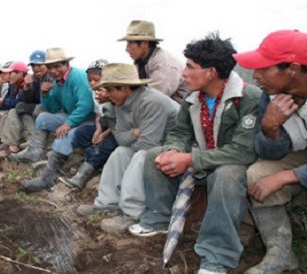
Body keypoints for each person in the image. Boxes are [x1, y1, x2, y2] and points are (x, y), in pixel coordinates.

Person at [127, 33, 261, 274]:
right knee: (154, 156)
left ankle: (217, 255)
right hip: (202, 159)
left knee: (227, 176)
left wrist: (189, 159)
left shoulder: (248, 98)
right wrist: (173, 150)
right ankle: (158, 219)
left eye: (189, 67)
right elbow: (179, 132)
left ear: (211, 72)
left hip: (231, 164)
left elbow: (242, 152)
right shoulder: (192, 98)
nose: (183, 73)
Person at [234, 29, 307, 274]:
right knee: (258, 174)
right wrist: (270, 127)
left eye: (264, 69)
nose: (256, 76)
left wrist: (288, 176)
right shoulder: (271, 96)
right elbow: (271, 154)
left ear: (293, 69)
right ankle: (281, 254)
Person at [76, 63, 178, 233]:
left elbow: (147, 145)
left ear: (124, 88)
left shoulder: (152, 101)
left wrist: (133, 136)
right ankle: (107, 203)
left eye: (109, 90)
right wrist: (135, 133)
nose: (106, 95)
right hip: (149, 145)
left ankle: (132, 211)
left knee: (141, 156)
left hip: (172, 149)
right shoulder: (120, 103)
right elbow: (121, 139)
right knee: (120, 153)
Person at [12, 47, 95, 192]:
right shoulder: (58, 82)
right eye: (50, 67)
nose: (54, 71)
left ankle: (47, 178)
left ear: (66, 64)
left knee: (64, 134)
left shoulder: (78, 76)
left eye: (58, 66)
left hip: (89, 120)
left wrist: (69, 123)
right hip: (75, 117)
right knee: (44, 118)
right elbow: (53, 108)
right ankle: (35, 152)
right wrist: (45, 95)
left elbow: (86, 104)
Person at [62, 59, 118, 189]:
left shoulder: (115, 91)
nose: (92, 83)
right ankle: (90, 157)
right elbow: (98, 114)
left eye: (96, 79)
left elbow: (120, 121)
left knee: (107, 144)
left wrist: (104, 134)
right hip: (104, 123)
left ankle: (83, 175)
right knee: (82, 132)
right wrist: (98, 130)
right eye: (90, 79)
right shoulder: (94, 92)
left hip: (118, 127)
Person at [0, 50, 54, 158]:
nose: (36, 68)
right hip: (39, 108)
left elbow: (44, 101)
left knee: (22, 108)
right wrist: (27, 89)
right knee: (18, 109)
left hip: (51, 109)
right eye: (33, 65)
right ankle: (8, 144)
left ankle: (15, 145)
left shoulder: (51, 76)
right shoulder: (34, 78)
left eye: (39, 65)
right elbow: (29, 100)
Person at [118, 20, 188, 104]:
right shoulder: (141, 62)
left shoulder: (164, 64)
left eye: (130, 43)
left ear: (144, 43)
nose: (127, 49)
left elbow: (155, 99)